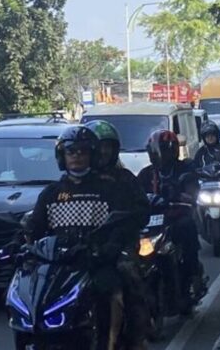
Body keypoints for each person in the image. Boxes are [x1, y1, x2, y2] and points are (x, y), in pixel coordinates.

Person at [26, 125, 149, 348]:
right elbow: (35, 227)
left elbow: (124, 223)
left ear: (92, 155)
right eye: (71, 152)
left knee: (116, 292)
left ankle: (112, 342)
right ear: (62, 156)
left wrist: (111, 245)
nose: (77, 157)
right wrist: (20, 244)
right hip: (57, 266)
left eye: (83, 151)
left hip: (96, 262)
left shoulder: (111, 188)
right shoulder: (51, 193)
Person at [84, 119, 150, 349]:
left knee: (128, 277)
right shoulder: (77, 181)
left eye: (107, 147)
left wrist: (118, 238)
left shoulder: (125, 180)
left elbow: (141, 213)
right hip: (81, 249)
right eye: (98, 147)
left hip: (118, 248)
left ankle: (131, 337)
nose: (103, 152)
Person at [137, 130, 204, 313]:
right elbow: (134, 195)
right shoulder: (145, 174)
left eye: (164, 152)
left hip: (176, 216)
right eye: (156, 152)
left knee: (187, 227)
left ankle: (192, 273)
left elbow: (193, 190)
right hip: (151, 221)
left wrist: (184, 195)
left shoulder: (184, 169)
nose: (160, 156)